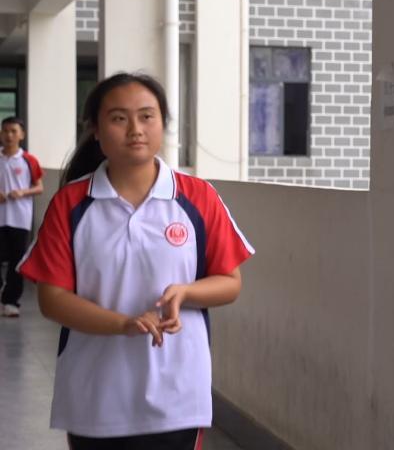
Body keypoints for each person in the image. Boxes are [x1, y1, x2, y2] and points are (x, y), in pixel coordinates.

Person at [18, 73, 254, 449]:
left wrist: (186, 292)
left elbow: (230, 282)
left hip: (178, 392)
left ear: (162, 124)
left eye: (147, 116)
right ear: (95, 130)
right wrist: (123, 324)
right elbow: (52, 299)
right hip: (94, 394)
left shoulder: (198, 197)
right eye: (118, 118)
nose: (135, 130)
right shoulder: (71, 204)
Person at [0, 117, 43, 317]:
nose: (9, 135)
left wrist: (22, 192)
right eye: (5, 131)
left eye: (13, 131)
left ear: (21, 135)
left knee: (16, 261)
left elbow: (39, 187)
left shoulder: (29, 160)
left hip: (19, 219)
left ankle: (11, 302)